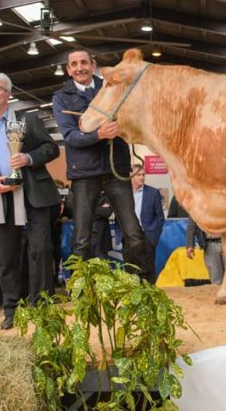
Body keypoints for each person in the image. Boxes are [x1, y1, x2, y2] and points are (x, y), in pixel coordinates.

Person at [0, 72, 60, 330]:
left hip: (34, 195)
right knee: (7, 259)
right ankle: (11, 309)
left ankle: (42, 305)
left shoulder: (28, 120)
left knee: (40, 250)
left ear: (9, 94)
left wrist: (28, 158)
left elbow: (51, 148)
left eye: (1, 88)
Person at [52, 49, 150, 280]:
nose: (79, 68)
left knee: (133, 232)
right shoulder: (61, 97)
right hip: (84, 173)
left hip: (116, 170)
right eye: (74, 64)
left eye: (84, 62)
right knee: (82, 237)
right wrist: (99, 135)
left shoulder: (112, 86)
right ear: (68, 70)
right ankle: (80, 288)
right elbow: (70, 136)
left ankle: (140, 284)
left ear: (93, 64)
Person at [129, 165, 164, 283]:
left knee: (149, 268)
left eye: (143, 175)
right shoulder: (124, 193)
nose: (142, 177)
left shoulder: (153, 192)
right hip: (129, 235)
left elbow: (160, 217)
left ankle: (151, 295)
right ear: (131, 176)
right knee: (130, 267)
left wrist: (154, 234)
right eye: (139, 175)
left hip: (147, 235)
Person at [186, 217, 226, 286]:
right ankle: (221, 296)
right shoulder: (198, 206)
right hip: (210, 245)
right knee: (215, 281)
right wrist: (190, 245)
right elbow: (192, 224)